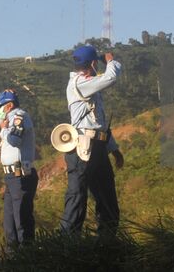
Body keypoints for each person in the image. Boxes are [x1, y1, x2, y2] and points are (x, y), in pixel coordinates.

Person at [60, 45, 124, 236]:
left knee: (107, 198)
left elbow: (99, 124)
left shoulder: (90, 85)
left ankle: (106, 243)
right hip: (83, 148)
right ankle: (67, 245)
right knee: (77, 197)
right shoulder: (79, 83)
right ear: (94, 63)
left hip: (98, 147)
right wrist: (111, 61)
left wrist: (114, 150)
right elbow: (110, 77)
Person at [0, 89, 38, 249]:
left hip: (20, 174)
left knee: (21, 218)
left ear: (9, 105)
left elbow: (14, 139)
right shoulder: (8, 118)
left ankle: (27, 253)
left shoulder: (19, 116)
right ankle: (12, 256)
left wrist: (4, 129)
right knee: (10, 221)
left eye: (1, 106)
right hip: (11, 177)